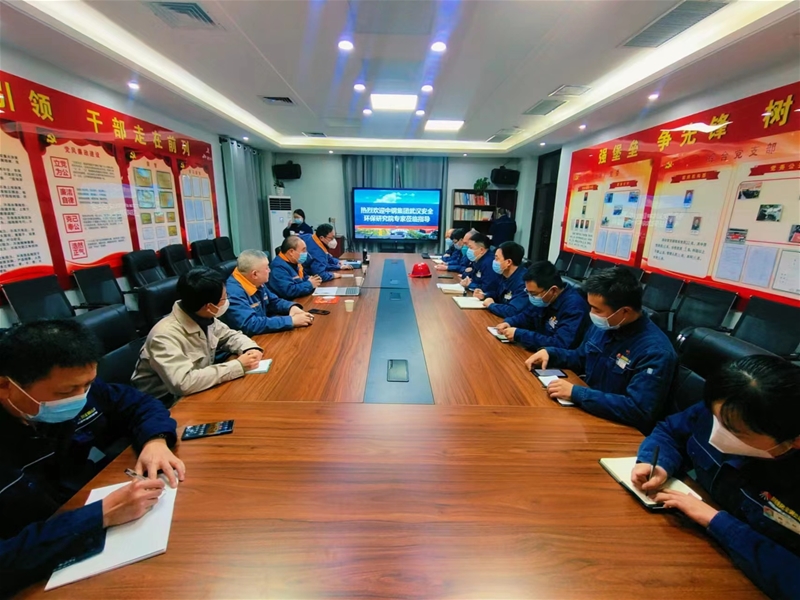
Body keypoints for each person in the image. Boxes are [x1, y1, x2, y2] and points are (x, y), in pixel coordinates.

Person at [0, 321, 184, 594]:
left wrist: (155, 440)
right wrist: (100, 515)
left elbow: (139, 403)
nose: (80, 398)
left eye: (87, 385)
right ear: (6, 385)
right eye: (66, 392)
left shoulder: (81, 388)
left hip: (83, 513)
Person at [632, 356, 800, 599]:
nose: (717, 431)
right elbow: (670, 431)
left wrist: (716, 520)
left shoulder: (756, 415)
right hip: (688, 551)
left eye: (735, 432)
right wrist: (656, 463)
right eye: (715, 418)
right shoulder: (727, 408)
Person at [525, 267, 677, 433]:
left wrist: (578, 394)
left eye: (596, 309)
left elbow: (638, 410)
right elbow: (581, 357)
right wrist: (551, 353)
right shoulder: (607, 325)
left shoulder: (655, 351)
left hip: (618, 431)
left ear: (624, 311)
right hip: (588, 414)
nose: (591, 313)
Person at [132, 267, 263, 399]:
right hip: (167, 402)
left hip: (199, 388)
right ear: (209, 306)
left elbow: (229, 335)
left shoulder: (203, 316)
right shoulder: (163, 336)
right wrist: (237, 366)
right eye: (224, 298)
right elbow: (183, 383)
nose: (227, 300)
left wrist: (249, 348)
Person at [496, 260, 590, 350]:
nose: (531, 297)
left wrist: (520, 335)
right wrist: (509, 323)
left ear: (553, 290)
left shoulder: (574, 307)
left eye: (533, 293)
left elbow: (560, 344)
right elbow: (528, 316)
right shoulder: (545, 299)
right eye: (528, 292)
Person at [222, 249, 314, 336]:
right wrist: (291, 321)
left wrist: (291, 307)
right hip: (249, 341)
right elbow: (250, 324)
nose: (269, 270)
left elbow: (273, 301)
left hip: (262, 333)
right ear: (255, 274)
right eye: (266, 268)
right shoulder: (232, 293)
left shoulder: (254, 281)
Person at [474, 241, 528, 318]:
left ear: (508, 262)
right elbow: (499, 295)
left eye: (496, 258)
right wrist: (484, 295)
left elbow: (513, 311)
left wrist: (491, 305)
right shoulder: (504, 274)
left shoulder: (524, 282)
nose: (494, 261)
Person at [269, 235, 322, 300]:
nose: (306, 253)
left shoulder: (295, 262)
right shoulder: (278, 267)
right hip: (287, 303)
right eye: (303, 250)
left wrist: (312, 279)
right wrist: (309, 284)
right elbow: (289, 291)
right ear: (291, 252)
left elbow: (300, 280)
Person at [459, 232, 501, 297]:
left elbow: (487, 288)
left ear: (481, 250)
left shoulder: (489, 263)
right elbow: (470, 274)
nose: (468, 250)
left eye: (470, 247)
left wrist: (470, 284)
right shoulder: (477, 259)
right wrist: (466, 278)